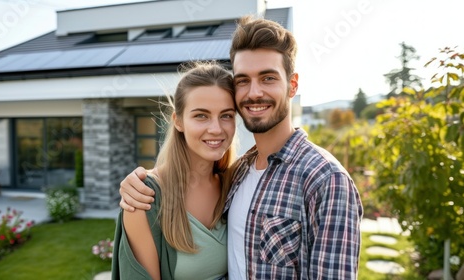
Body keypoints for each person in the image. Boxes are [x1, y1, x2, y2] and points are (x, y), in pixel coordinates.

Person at [119, 15, 363, 279]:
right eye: (243, 80)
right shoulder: (237, 176)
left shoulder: (326, 180)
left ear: (292, 85)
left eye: (268, 78)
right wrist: (139, 182)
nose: (254, 92)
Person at [111, 62, 237, 280]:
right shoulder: (143, 198)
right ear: (178, 121)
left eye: (226, 115)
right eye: (201, 115)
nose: (216, 129)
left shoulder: (236, 184)